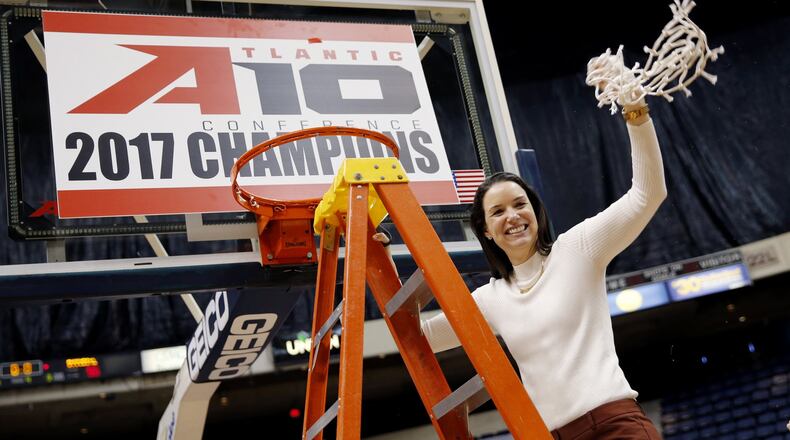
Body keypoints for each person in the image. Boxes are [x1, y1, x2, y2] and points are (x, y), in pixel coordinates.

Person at [419, 92, 667, 439]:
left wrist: (637, 115)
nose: (513, 216)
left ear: (536, 212)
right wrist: (377, 260)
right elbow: (419, 340)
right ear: (486, 232)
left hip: (617, 425)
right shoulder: (490, 299)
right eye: (498, 211)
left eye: (520, 204)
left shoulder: (578, 248)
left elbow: (647, 194)